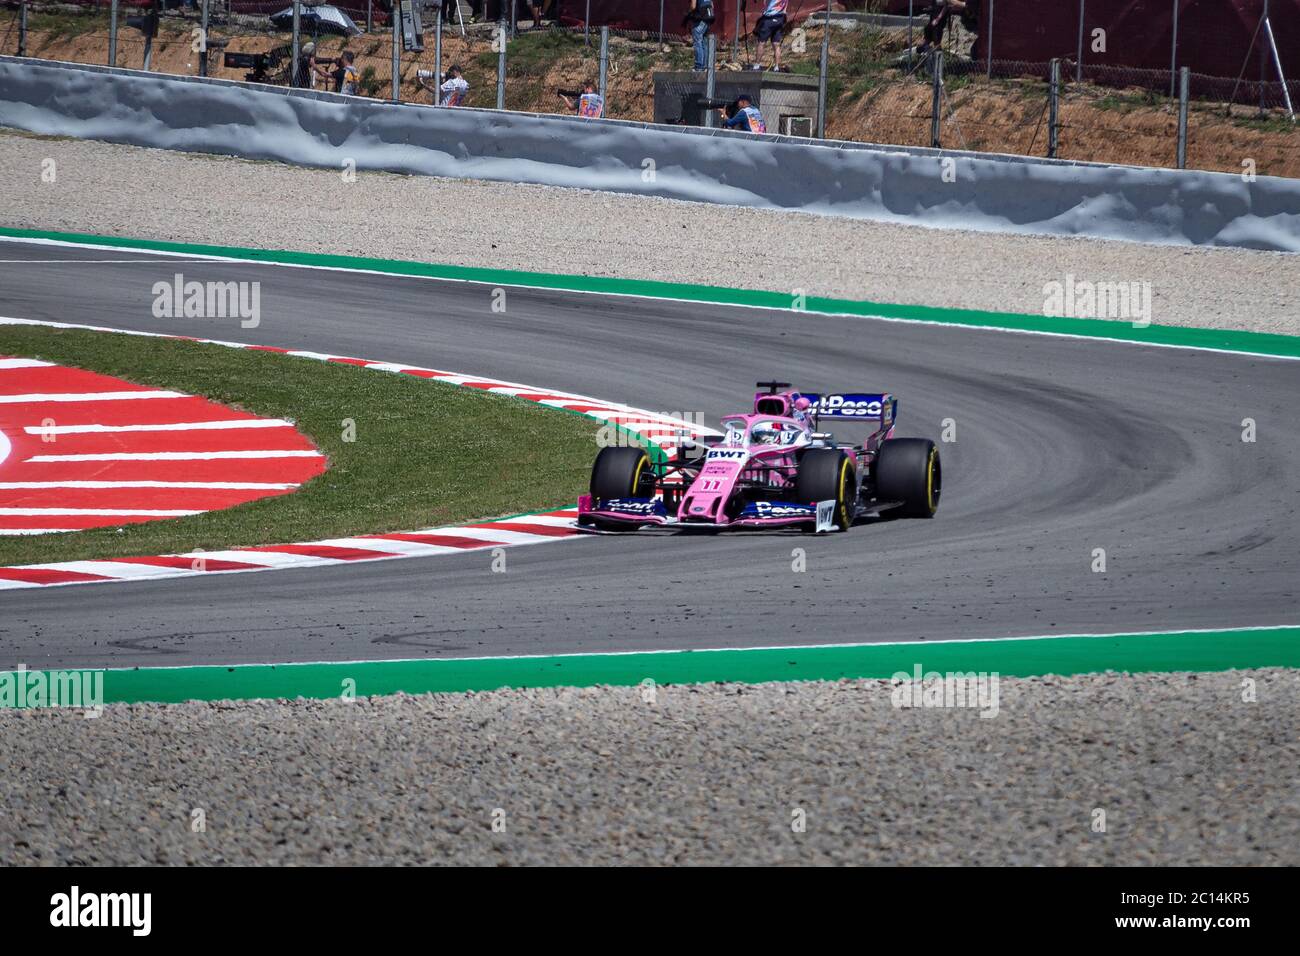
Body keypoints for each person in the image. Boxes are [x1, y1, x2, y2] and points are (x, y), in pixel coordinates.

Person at [754, 0, 788, 72]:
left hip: (769, 19)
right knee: (776, 44)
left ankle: (756, 65)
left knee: (761, 43)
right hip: (780, 19)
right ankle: (776, 67)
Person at [686, 0, 715, 72]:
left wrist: (688, 13)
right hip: (708, 20)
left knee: (698, 43)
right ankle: (705, 66)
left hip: (699, 20)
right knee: (704, 43)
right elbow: (712, 6)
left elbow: (693, 6)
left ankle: (699, 66)